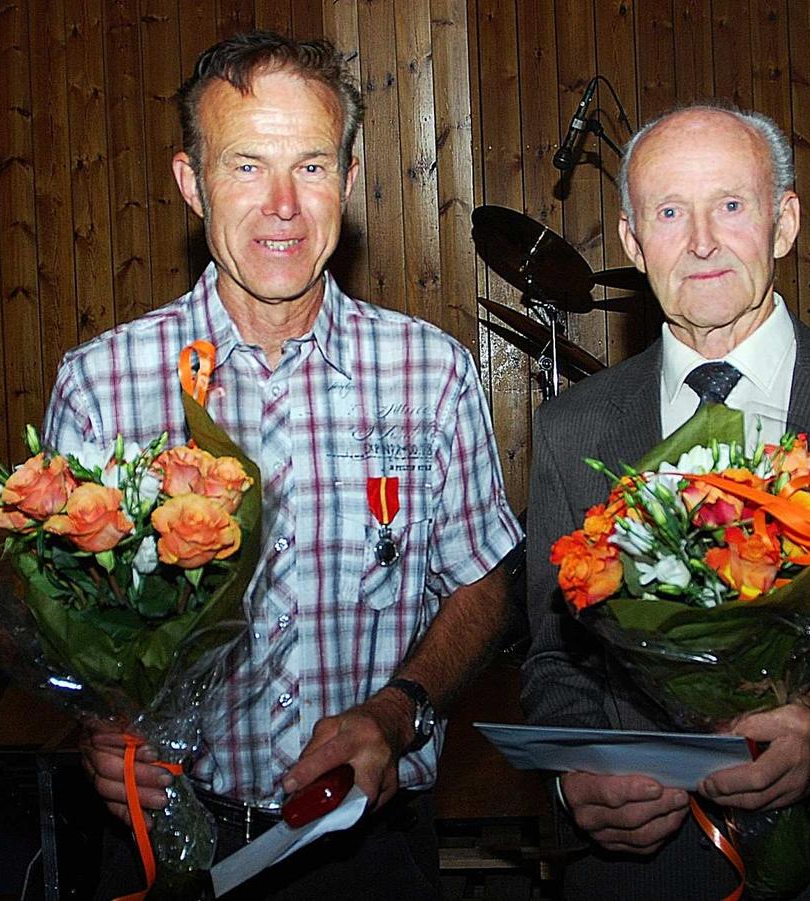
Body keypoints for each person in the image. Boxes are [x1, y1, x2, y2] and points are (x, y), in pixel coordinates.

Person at [43, 31, 522, 899]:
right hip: (169, 844)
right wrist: (98, 725)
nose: (283, 206)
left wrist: (397, 706)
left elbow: (481, 581)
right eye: (245, 167)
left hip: (369, 850)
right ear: (191, 183)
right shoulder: (103, 385)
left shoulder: (433, 372)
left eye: (309, 166)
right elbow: (69, 616)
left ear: (347, 177)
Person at [520, 100, 810, 899]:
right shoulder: (572, 429)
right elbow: (554, 662)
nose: (701, 242)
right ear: (634, 243)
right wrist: (577, 783)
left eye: (731, 206)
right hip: (640, 876)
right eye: (670, 213)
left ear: (784, 221)